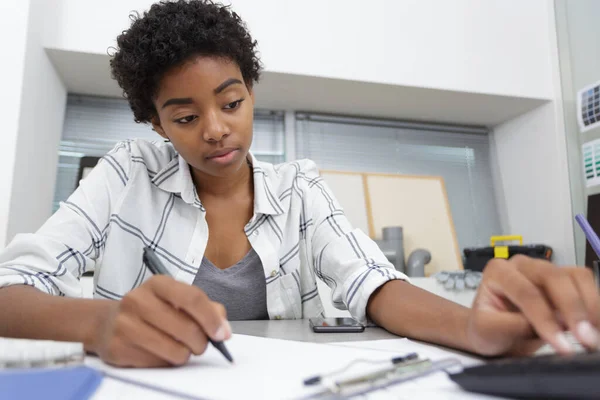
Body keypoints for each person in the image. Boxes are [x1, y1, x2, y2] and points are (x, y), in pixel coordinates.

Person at [0, 0, 598, 368]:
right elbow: (12, 289)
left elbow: (373, 283)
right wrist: (100, 325)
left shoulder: (299, 191)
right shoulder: (128, 173)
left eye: (231, 102)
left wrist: (471, 327)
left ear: (251, 92)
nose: (215, 129)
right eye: (184, 118)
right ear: (156, 123)